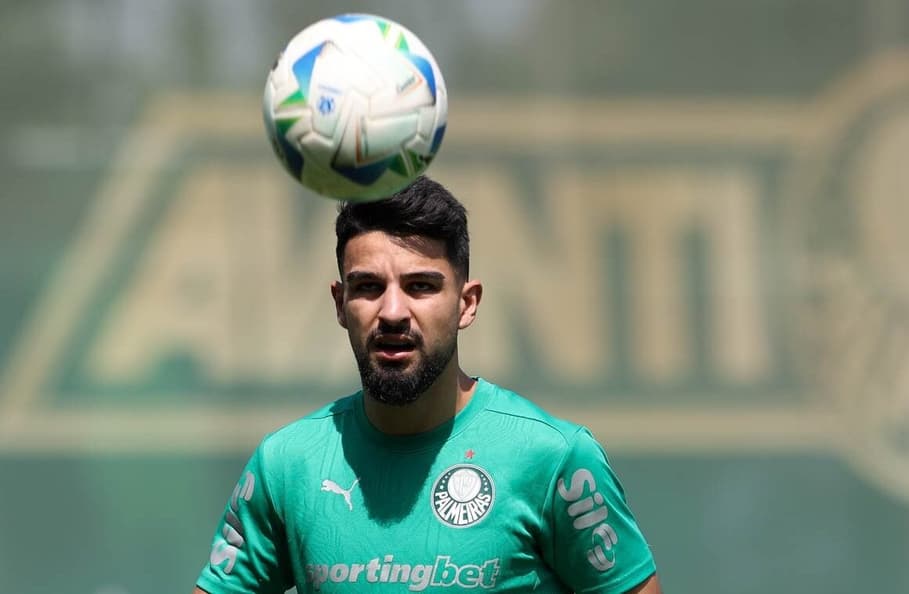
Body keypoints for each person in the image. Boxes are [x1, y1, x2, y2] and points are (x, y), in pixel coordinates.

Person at [192, 176, 662, 593]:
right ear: (340, 304)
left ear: (466, 303)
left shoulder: (555, 458)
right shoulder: (286, 464)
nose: (393, 312)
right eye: (368, 287)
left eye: (421, 286)